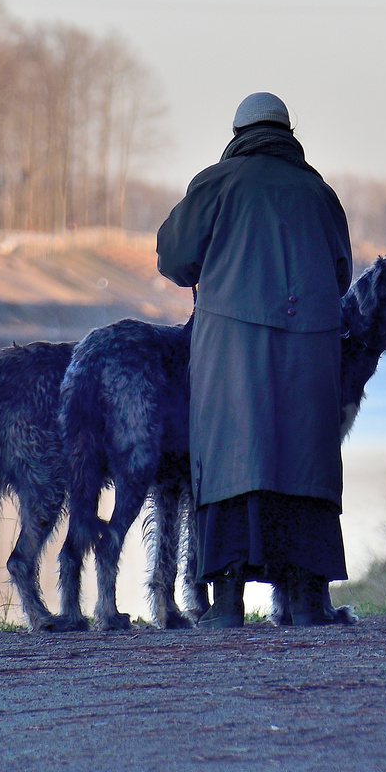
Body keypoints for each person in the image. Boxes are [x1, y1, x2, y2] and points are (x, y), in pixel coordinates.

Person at [156, 92, 352, 628]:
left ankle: (227, 604)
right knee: (304, 463)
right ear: (288, 131)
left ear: (238, 131)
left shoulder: (217, 183)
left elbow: (174, 259)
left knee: (232, 460)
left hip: (232, 354)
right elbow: (341, 275)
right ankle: (310, 601)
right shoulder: (319, 192)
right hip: (311, 350)